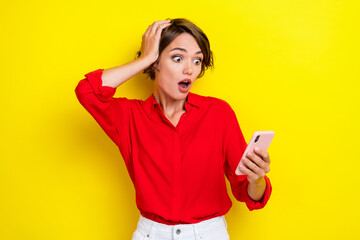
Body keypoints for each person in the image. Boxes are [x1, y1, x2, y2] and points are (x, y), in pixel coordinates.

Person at [75, 18, 272, 240]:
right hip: (151, 234)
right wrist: (147, 58)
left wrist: (257, 179)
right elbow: (87, 92)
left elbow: (246, 192)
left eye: (197, 61)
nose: (189, 69)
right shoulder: (129, 117)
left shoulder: (219, 113)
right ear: (156, 63)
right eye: (177, 58)